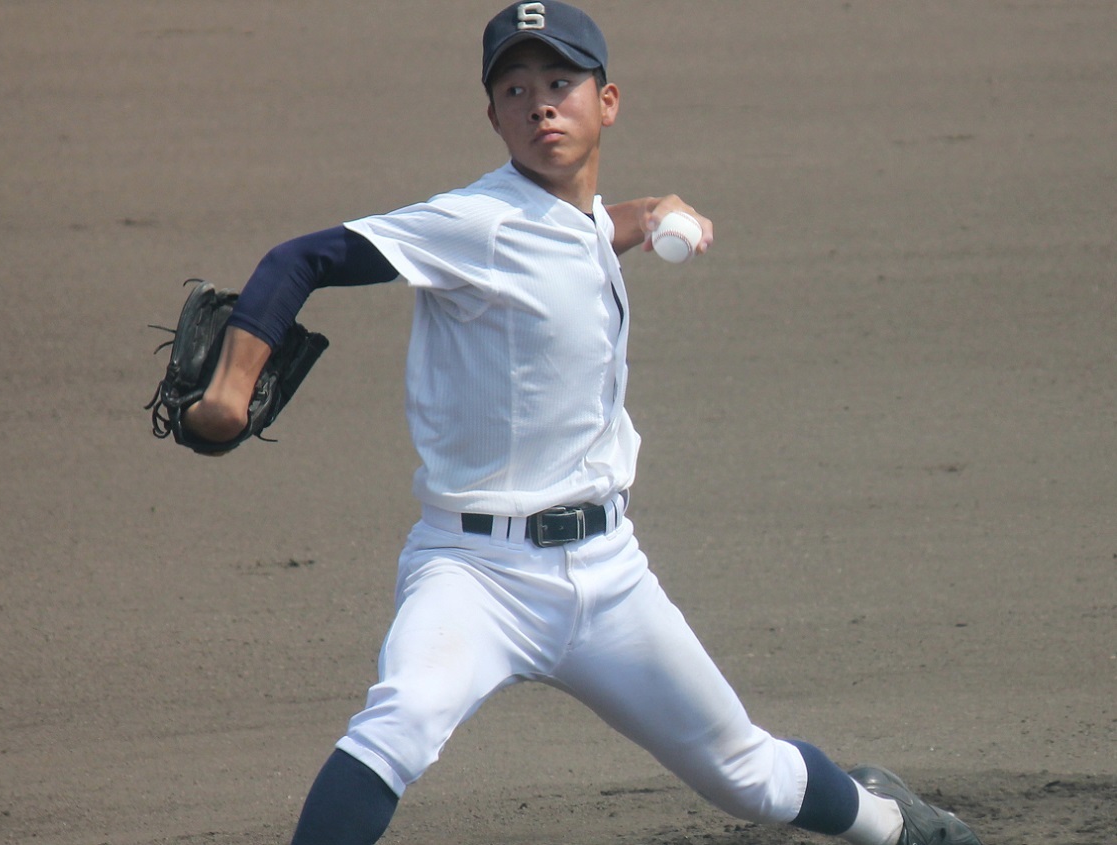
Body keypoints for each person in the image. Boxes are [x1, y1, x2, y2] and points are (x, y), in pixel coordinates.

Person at [182, 3, 984, 844]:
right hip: (475, 571)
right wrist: (232, 390)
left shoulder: (581, 221)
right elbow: (298, 259)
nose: (540, 105)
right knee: (401, 720)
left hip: (608, 576)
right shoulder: (471, 223)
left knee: (748, 773)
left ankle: (893, 824)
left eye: (561, 83)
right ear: (493, 116)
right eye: (516, 89)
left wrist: (654, 211)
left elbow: (589, 230)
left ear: (607, 102)